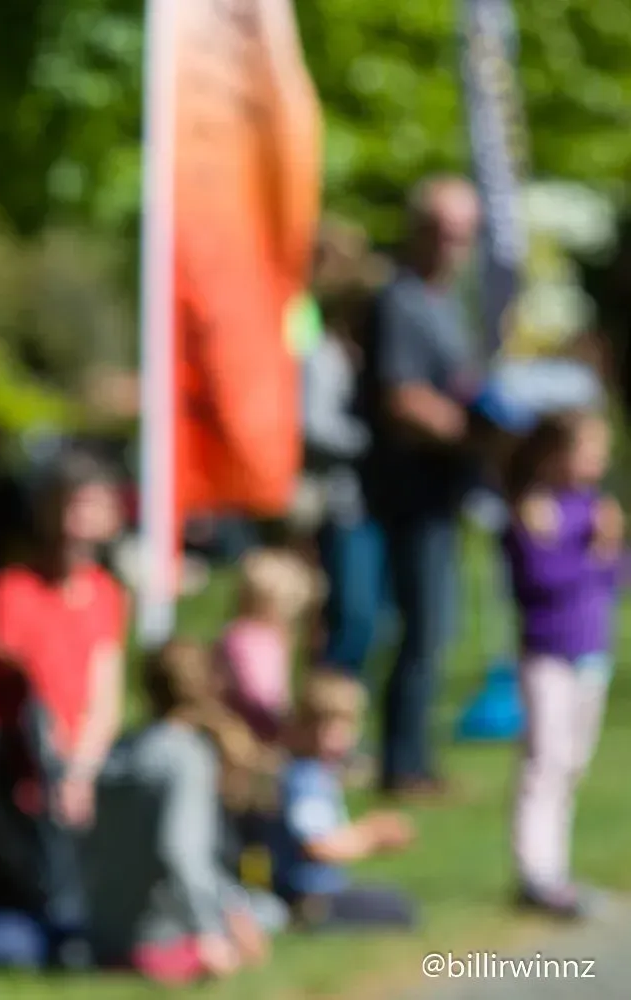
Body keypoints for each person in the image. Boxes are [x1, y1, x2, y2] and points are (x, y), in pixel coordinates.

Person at [356, 175, 483, 798]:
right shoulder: (400, 301)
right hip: (406, 492)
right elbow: (402, 398)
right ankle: (402, 765)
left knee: (436, 627)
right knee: (418, 626)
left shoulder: (449, 302)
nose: (451, 246)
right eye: (441, 232)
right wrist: (477, 433)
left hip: (441, 492)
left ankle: (416, 759)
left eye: (463, 234)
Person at [84, 639, 275, 985]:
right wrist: (210, 934)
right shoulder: (185, 757)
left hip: (100, 934)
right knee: (267, 910)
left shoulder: (119, 752)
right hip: (159, 940)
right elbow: (181, 852)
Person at [500, 410, 622, 919]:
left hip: (591, 650)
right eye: (586, 452)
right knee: (545, 760)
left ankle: (557, 868)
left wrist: (609, 546)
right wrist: (591, 550)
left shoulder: (596, 509)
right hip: (547, 652)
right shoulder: (534, 510)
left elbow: (614, 579)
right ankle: (536, 871)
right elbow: (540, 581)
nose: (596, 463)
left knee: (572, 762)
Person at [0, 447, 129, 830]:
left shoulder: (107, 593)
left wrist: (79, 773)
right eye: (73, 503)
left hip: (86, 766)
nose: (81, 517)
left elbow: (105, 694)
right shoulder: (12, 589)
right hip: (25, 765)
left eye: (93, 504)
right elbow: (12, 686)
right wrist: (52, 765)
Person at [304, 220, 391, 679]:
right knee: (351, 620)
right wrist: (374, 441)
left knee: (375, 623)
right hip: (342, 506)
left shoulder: (368, 359)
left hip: (377, 505)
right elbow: (313, 426)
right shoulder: (321, 356)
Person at [270, 671, 417, 931]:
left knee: (394, 900)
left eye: (345, 727)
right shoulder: (305, 780)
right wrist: (372, 836)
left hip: (323, 891)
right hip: (310, 896)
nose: (334, 737)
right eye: (324, 727)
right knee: (399, 906)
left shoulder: (317, 773)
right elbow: (318, 845)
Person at [218, 547, 324, 745]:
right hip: (244, 728)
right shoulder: (242, 637)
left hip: (267, 724)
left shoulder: (276, 638)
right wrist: (282, 717)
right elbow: (252, 689)